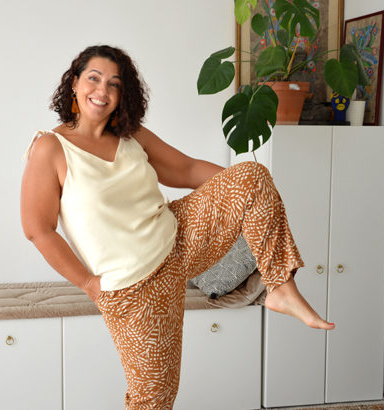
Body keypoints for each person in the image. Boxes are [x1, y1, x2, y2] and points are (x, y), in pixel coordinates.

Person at [20, 45, 334, 409]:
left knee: (252, 175)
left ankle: (280, 288)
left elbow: (186, 170)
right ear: (74, 83)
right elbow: (38, 229)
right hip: (133, 289)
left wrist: (243, 192)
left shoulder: (131, 135)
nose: (102, 90)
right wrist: (89, 284)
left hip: (179, 240)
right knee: (155, 398)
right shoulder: (50, 148)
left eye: (114, 83)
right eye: (94, 78)